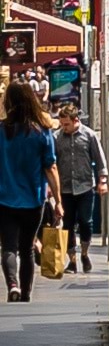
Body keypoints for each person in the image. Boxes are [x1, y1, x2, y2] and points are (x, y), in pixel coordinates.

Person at [0, 81, 62, 302]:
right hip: (34, 200)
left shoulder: (1, 130)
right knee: (26, 248)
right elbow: (50, 167)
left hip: (4, 198)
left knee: (8, 246)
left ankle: (13, 285)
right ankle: (25, 295)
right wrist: (59, 201)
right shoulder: (41, 133)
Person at [52, 102, 107, 276]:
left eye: (66, 124)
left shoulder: (89, 135)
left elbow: (100, 159)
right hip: (65, 188)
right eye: (62, 124)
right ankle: (72, 261)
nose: (64, 128)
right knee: (67, 225)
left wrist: (102, 180)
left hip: (84, 186)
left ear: (76, 121)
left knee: (86, 221)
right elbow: (51, 163)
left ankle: (84, 253)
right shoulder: (56, 138)